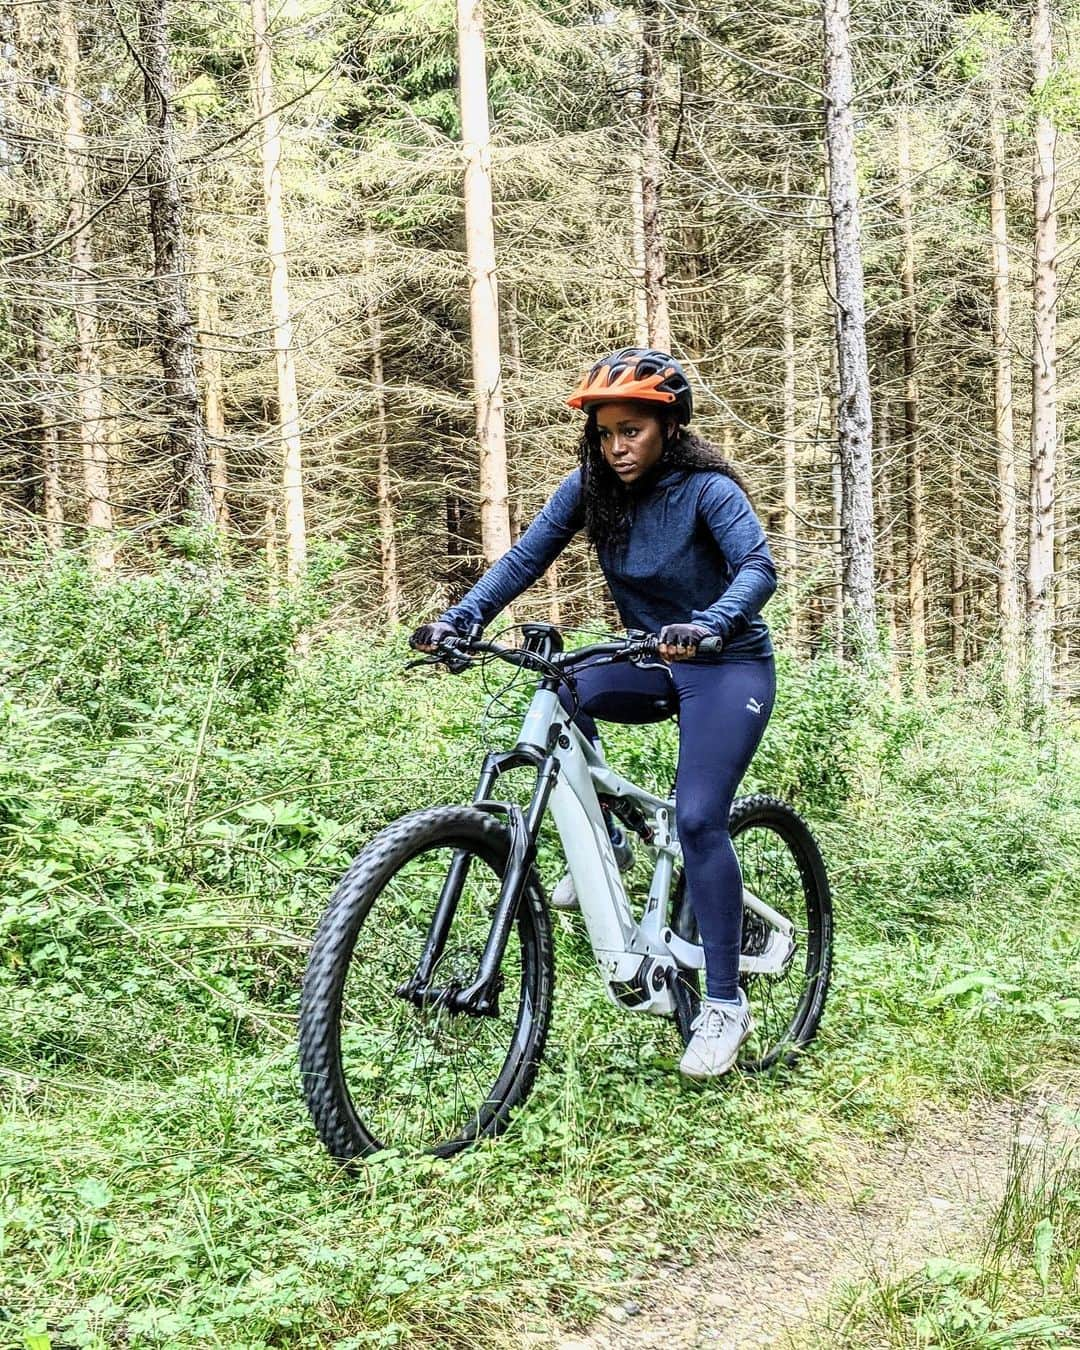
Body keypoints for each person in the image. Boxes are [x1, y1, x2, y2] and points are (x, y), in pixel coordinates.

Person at [410, 347, 777, 1079]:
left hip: (727, 664)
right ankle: (611, 840)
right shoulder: (590, 489)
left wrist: (711, 624)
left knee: (701, 818)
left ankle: (725, 1006)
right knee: (563, 688)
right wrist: (461, 618)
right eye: (606, 433)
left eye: (632, 431)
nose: (616, 447)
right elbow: (524, 559)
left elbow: (757, 568)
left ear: (669, 427)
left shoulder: (709, 490)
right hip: (651, 662)